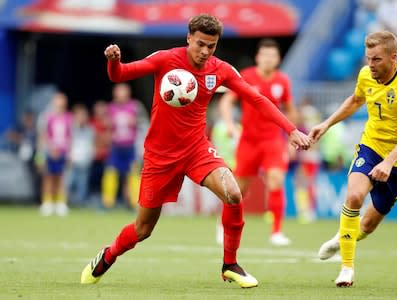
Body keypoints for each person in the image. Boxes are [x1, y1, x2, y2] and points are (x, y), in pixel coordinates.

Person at [80, 14, 311, 288]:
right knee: (143, 229)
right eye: (200, 44)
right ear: (189, 37)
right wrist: (113, 60)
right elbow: (120, 74)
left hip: (196, 149)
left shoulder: (221, 70)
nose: (205, 51)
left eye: (211, 46)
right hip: (160, 156)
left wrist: (291, 129)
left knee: (234, 194)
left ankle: (230, 264)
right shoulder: (165, 59)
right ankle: (108, 255)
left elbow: (257, 99)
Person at [309, 31, 397, 287]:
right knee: (353, 197)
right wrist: (326, 124)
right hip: (371, 148)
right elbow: (355, 100)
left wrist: (390, 162)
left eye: (376, 60)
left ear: (393, 58)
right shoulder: (365, 75)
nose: (370, 65)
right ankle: (347, 269)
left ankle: (342, 239)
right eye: (368, 59)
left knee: (369, 224)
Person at [218, 38, 299, 246]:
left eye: (272, 56)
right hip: (248, 141)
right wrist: (229, 124)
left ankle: (277, 231)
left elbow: (291, 110)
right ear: (258, 58)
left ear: (278, 59)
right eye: (264, 55)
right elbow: (227, 101)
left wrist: (291, 139)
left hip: (273, 140)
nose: (268, 59)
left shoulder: (283, 81)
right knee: (239, 189)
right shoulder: (246, 76)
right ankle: (223, 225)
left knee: (276, 180)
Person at [101, 83, 138, 209]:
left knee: (133, 174)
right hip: (116, 147)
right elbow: (106, 126)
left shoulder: (135, 106)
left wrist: (135, 122)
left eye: (123, 92)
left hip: (130, 147)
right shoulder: (111, 108)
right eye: (119, 92)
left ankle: (135, 203)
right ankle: (108, 203)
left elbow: (145, 123)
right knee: (111, 173)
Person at [38, 92, 72, 216]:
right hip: (49, 152)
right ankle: (47, 203)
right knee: (48, 177)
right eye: (58, 101)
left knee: (61, 178)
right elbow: (42, 135)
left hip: (63, 152)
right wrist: (43, 153)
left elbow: (71, 136)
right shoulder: (46, 117)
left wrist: (69, 153)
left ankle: (60, 203)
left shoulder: (68, 117)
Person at [66, 104, 94, 206]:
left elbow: (91, 144)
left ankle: (80, 203)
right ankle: (66, 202)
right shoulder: (71, 129)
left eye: (84, 115)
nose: (82, 118)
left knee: (83, 183)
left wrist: (91, 156)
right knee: (68, 182)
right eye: (80, 115)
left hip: (85, 160)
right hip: (73, 160)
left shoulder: (90, 129)